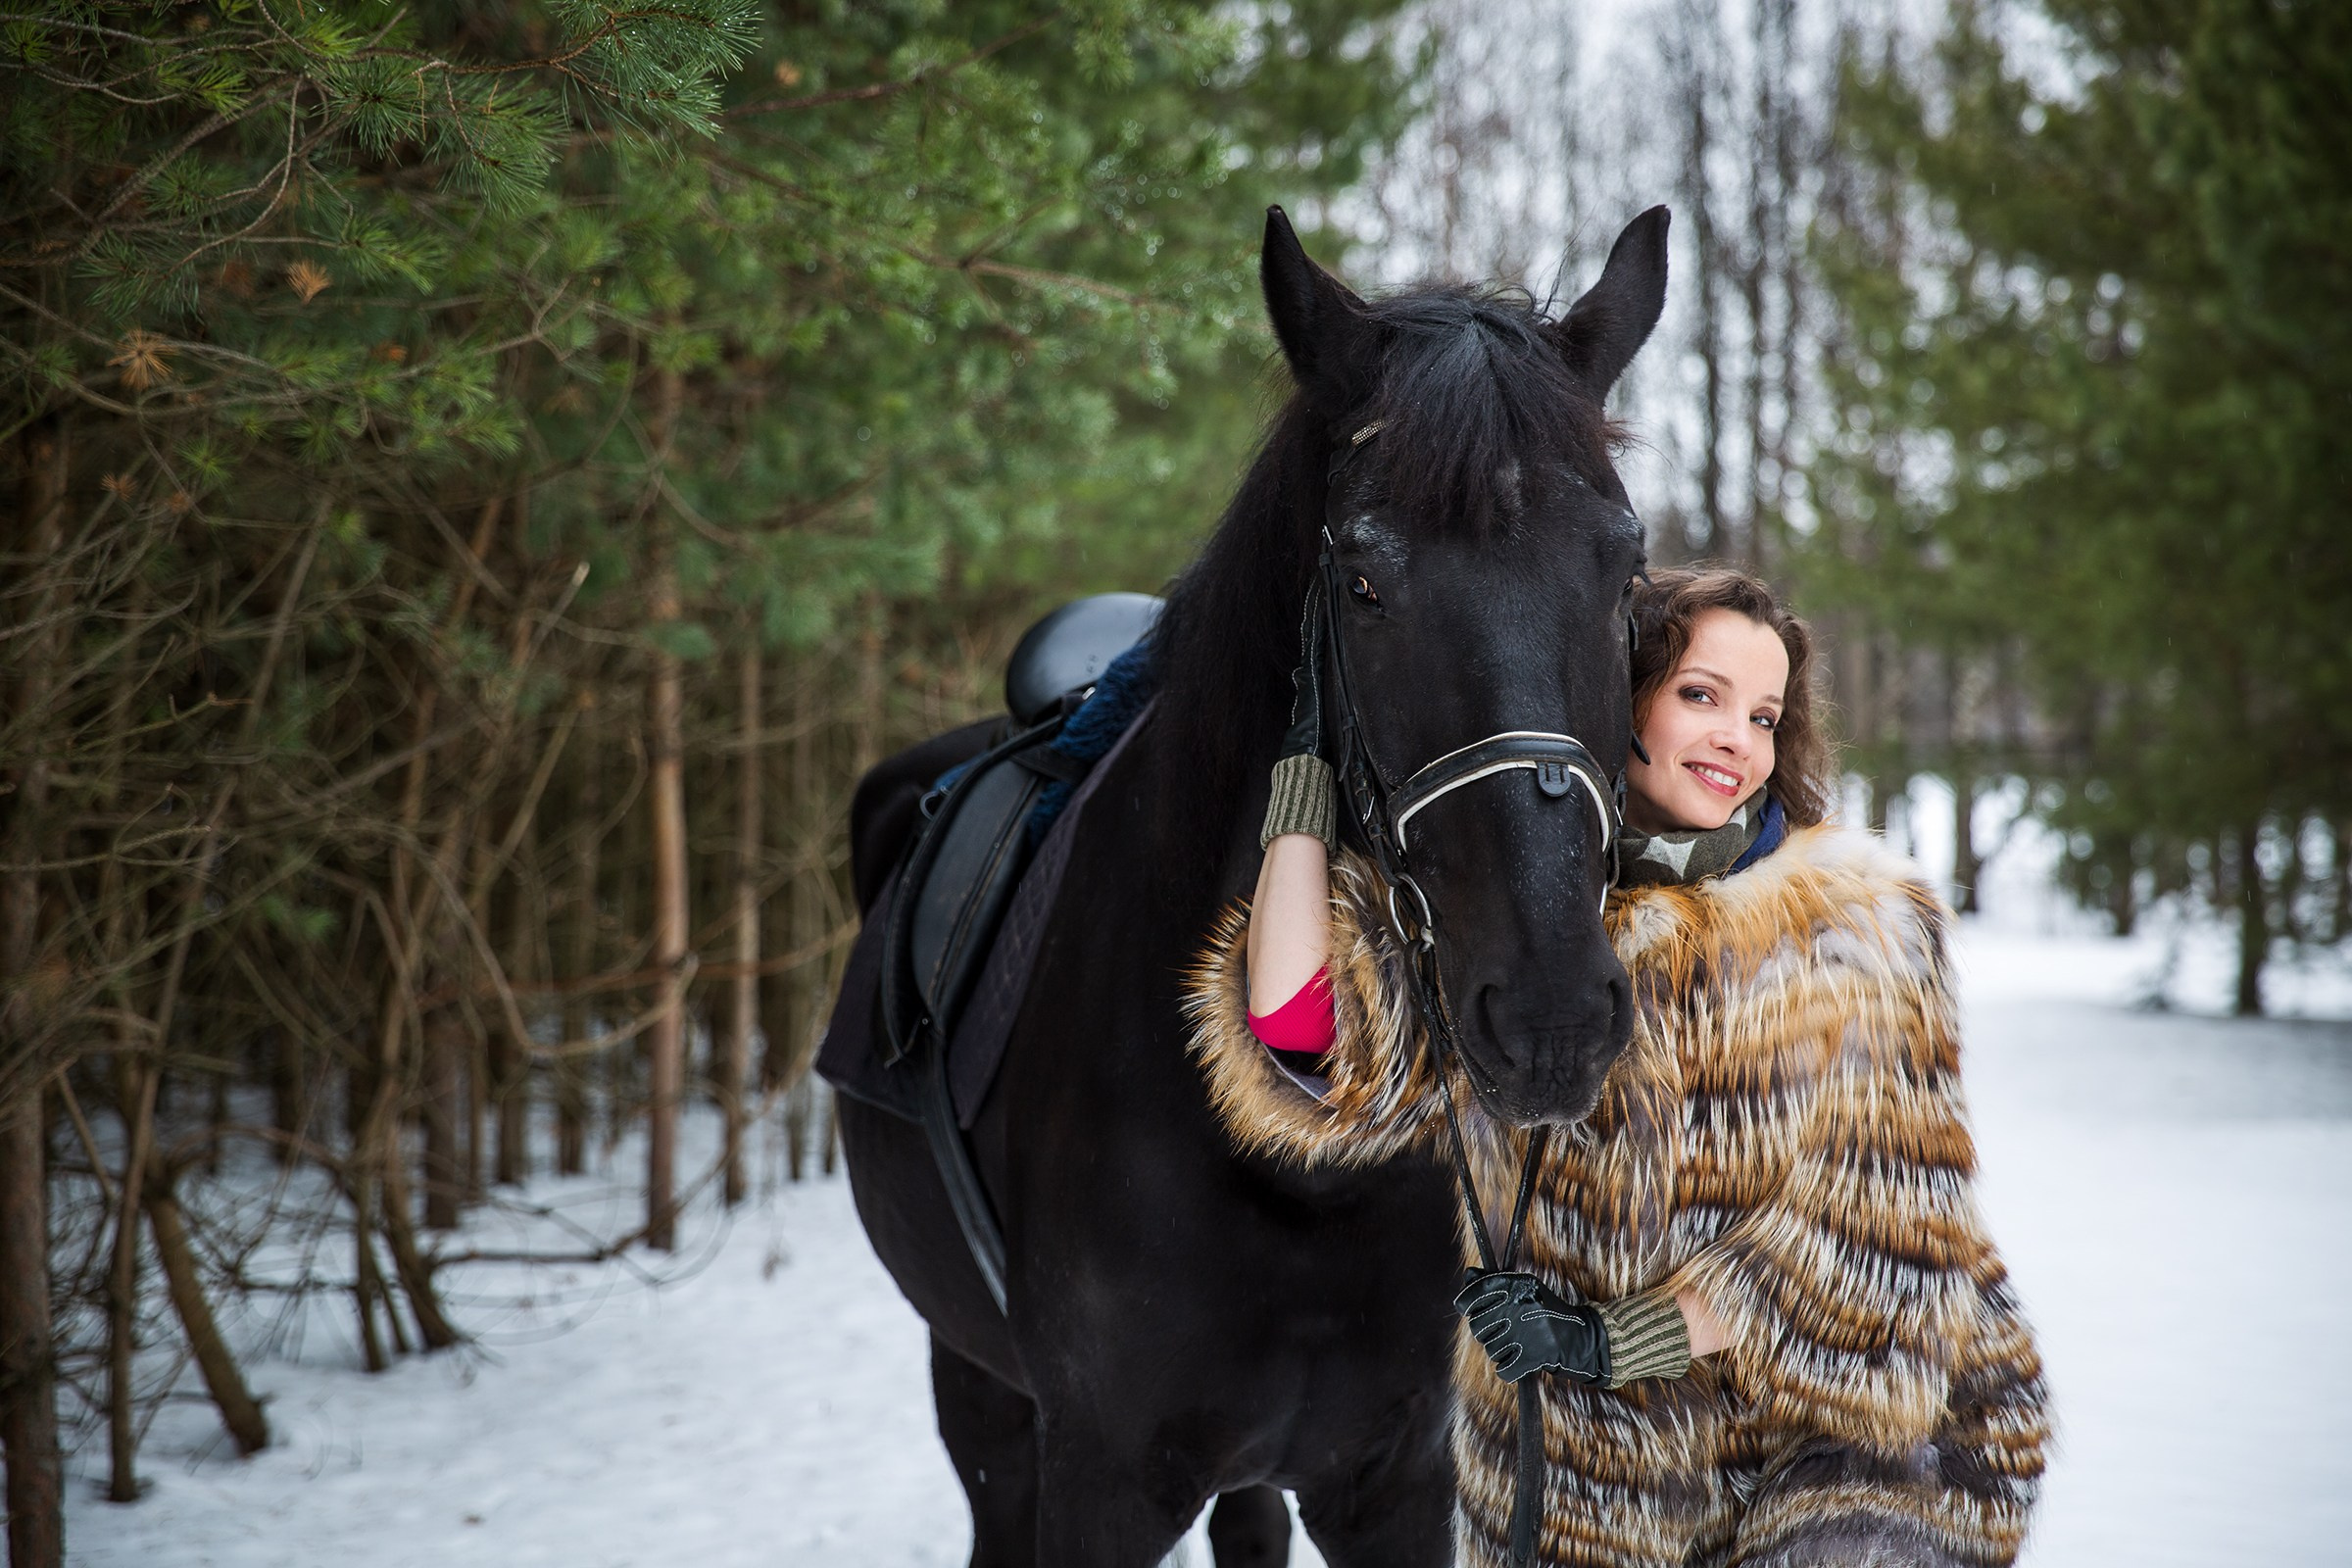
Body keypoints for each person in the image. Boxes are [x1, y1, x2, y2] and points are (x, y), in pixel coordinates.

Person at [1185, 566, 2049, 1567]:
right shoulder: (1514, 928)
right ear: (1608, 691)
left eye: (1764, 715)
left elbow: (1868, 1258)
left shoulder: (1856, 931)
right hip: (1595, 1472)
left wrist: (1608, 1341)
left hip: (1864, 1455)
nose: (1739, 738)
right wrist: (1307, 776)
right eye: (1701, 695)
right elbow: (1300, 1027)